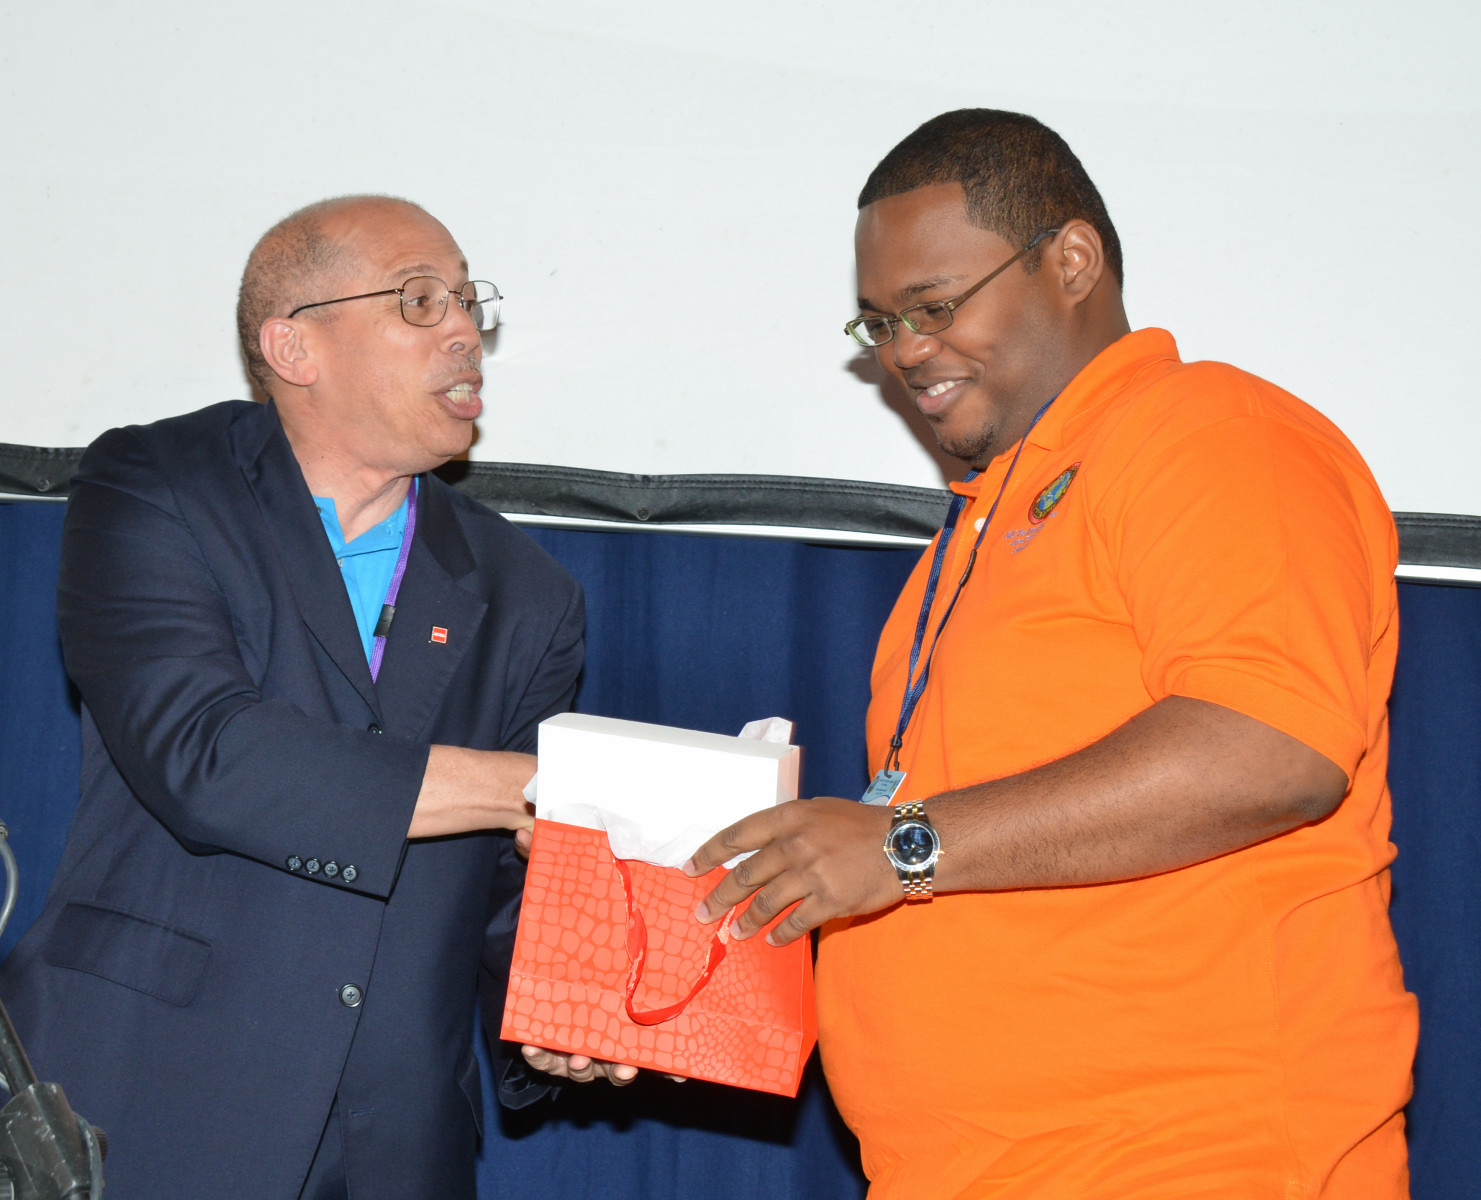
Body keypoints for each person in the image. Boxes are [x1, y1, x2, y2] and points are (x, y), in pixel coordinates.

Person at [686, 110, 1418, 1199]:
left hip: (1189, 1161)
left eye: (935, 306)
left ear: (1070, 261)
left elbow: (1269, 749)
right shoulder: (981, 525)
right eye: (880, 323)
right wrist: (680, 985)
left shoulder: (1211, 433)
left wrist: (902, 845)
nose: (905, 351)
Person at [0, 195, 624, 1200]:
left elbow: (513, 888)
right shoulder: (156, 485)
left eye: (468, 303)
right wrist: (534, 784)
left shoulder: (527, 594)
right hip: (143, 1095)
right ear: (294, 347)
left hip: (391, 1141)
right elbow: (205, 755)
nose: (465, 332)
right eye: (418, 301)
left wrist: (561, 1013)